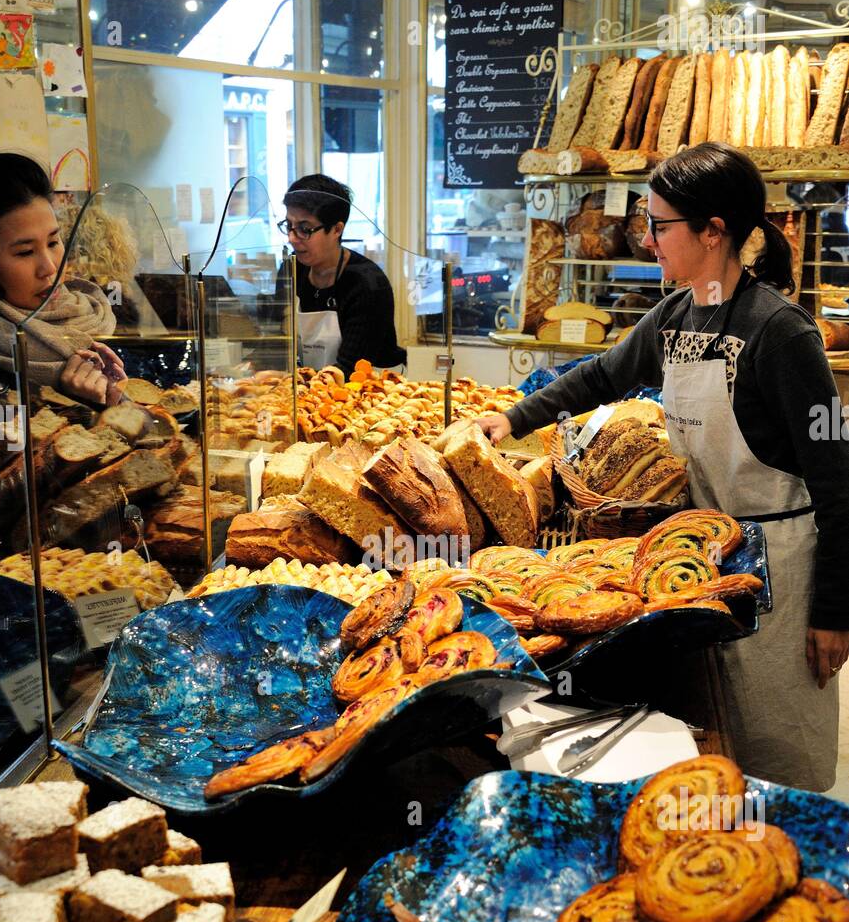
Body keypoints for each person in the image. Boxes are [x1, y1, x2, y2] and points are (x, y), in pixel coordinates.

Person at [477, 141, 849, 792]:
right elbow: (601, 374)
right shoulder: (677, 317)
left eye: (659, 225)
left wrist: (835, 611)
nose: (646, 241)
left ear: (713, 231)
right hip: (701, 556)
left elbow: (838, 484)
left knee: (773, 748)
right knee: (711, 741)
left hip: (781, 570)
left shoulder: (780, 333)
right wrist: (511, 420)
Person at [0, 153, 126, 405]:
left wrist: (109, 404)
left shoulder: (97, 316)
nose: (50, 267)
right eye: (25, 252)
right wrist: (69, 404)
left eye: (53, 242)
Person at [279, 173, 405, 376]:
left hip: (371, 386)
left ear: (337, 229)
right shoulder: (291, 268)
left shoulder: (367, 283)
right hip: (316, 383)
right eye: (289, 226)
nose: (292, 238)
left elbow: (350, 369)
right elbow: (281, 342)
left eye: (304, 229)